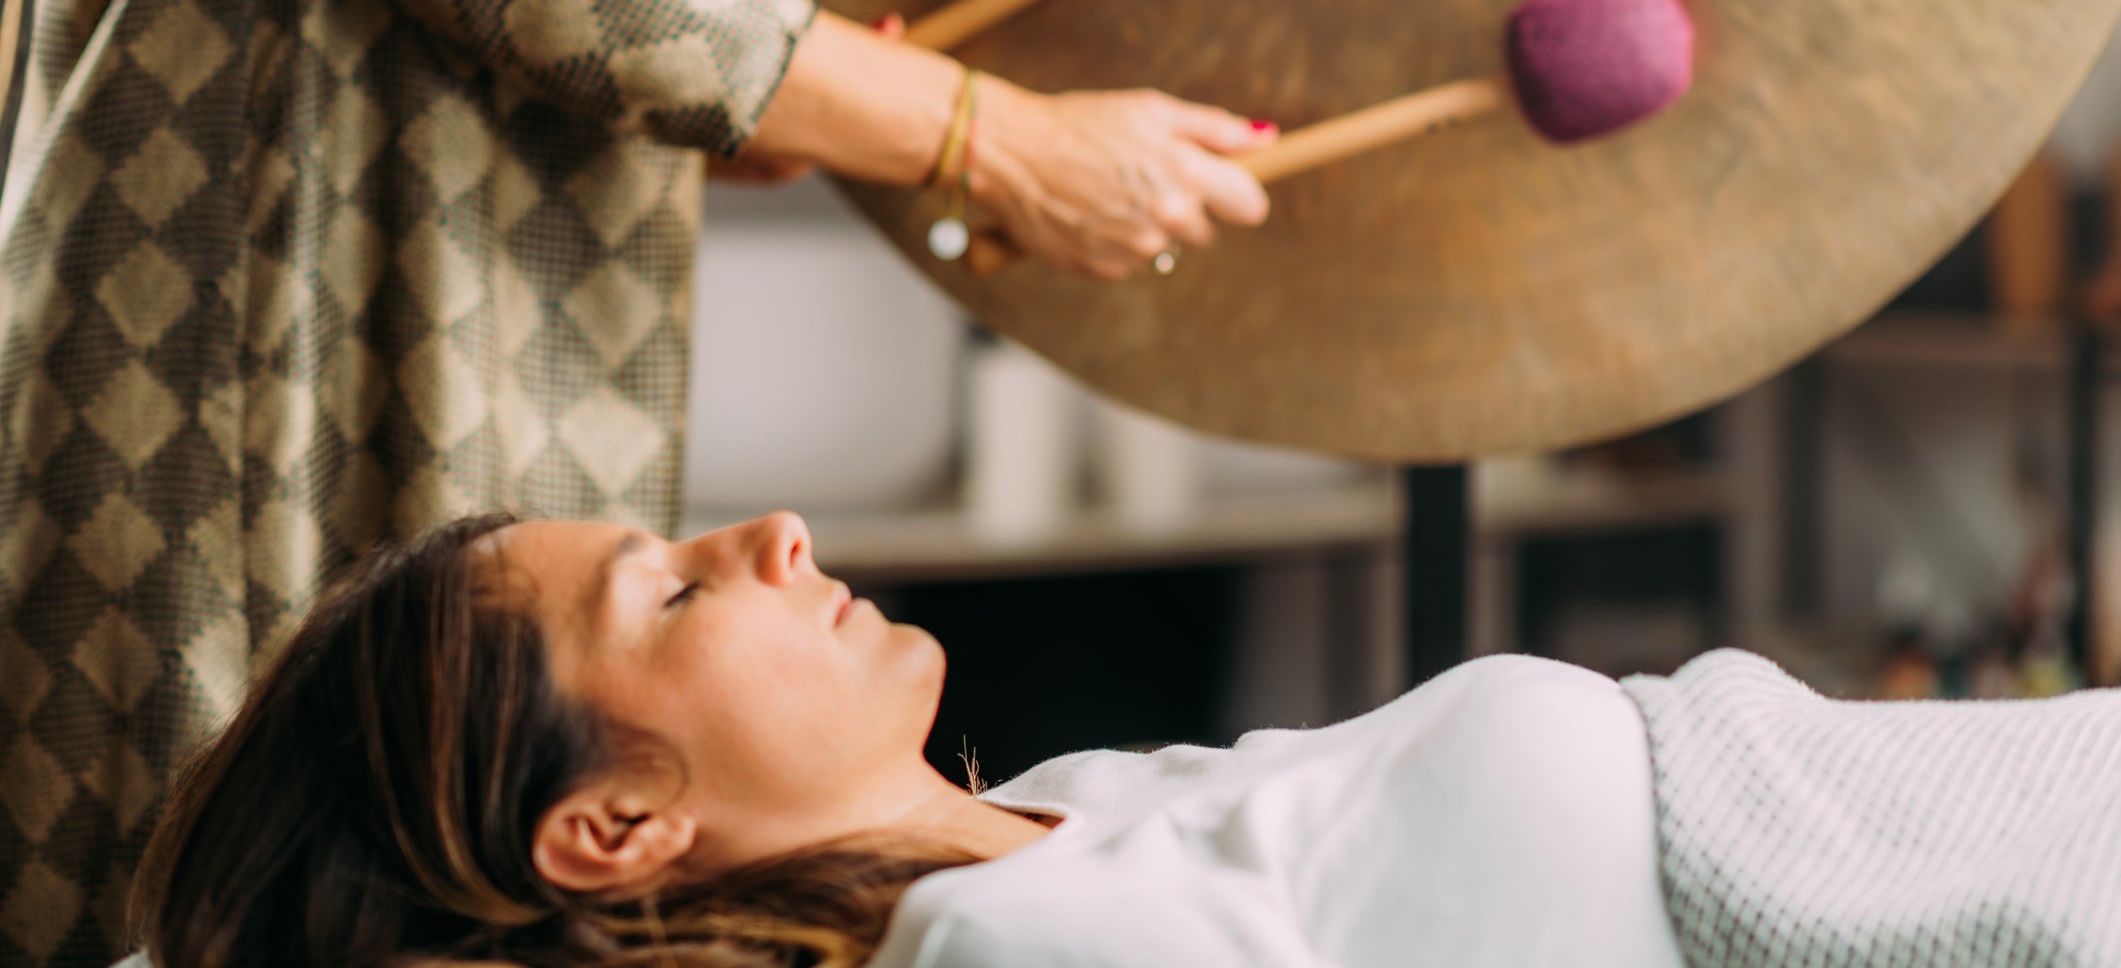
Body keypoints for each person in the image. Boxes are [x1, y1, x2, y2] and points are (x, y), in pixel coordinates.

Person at [0, 0, 1275, 959]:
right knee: (305, 860)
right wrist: (982, 135)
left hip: (534, 308)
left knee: (564, 863)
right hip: (256, 336)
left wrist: (722, 107)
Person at [131, 511, 2121, 968]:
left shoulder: (1056, 824)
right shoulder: (1010, 950)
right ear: (614, 820)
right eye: (670, 588)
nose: (773, 533)